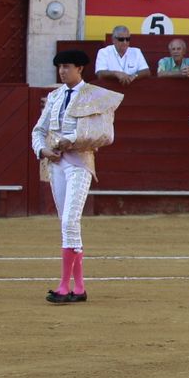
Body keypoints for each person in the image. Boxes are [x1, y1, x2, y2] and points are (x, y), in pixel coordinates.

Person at [32, 49, 124, 304]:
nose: (62, 71)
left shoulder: (96, 96)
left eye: (67, 66)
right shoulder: (54, 96)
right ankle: (79, 287)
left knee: (70, 221)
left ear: (80, 69)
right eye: (60, 67)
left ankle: (64, 286)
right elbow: (39, 130)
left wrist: (69, 141)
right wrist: (43, 149)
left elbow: (106, 135)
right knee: (67, 221)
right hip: (56, 165)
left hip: (80, 163)